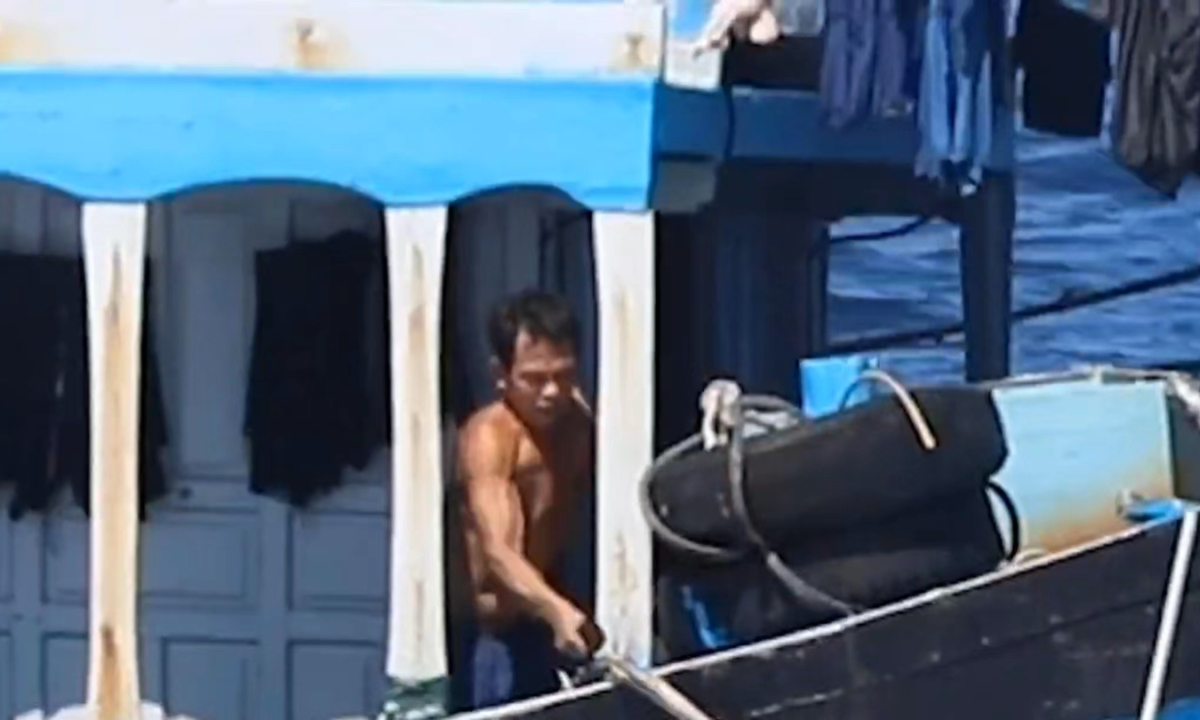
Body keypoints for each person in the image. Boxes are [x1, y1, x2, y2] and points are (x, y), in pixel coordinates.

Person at [454, 288, 605, 711]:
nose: (552, 392)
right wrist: (557, 610)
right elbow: (498, 553)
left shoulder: (577, 425)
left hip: (544, 624)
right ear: (499, 375)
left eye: (564, 375)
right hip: (488, 637)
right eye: (535, 378)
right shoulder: (491, 437)